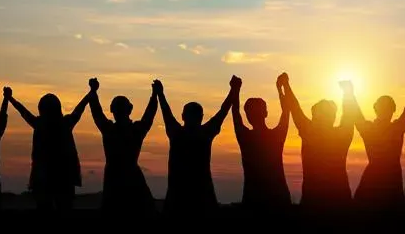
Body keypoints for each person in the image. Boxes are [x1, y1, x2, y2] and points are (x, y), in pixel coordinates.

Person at [157, 77, 238, 215]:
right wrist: (234, 90)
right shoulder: (205, 133)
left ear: (183, 116)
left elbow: (166, 110)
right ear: (201, 117)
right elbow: (223, 111)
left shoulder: (176, 132)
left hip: (177, 196)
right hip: (202, 195)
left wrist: (160, 93)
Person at [8, 88, 89, 212]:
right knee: (64, 208)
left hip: (43, 178)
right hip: (64, 178)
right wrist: (91, 93)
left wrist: (10, 98)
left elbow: (22, 111)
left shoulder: (39, 124)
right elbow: (80, 109)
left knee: (45, 209)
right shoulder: (65, 123)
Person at [87, 77, 158, 215]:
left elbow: (96, 111)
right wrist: (155, 95)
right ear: (130, 110)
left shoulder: (109, 129)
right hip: (131, 177)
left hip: (114, 178)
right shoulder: (136, 130)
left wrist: (93, 91)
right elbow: (149, 115)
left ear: (112, 110)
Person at [346, 77, 405, 209]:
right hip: (387, 179)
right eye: (385, 108)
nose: (385, 112)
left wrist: (349, 94)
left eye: (387, 109)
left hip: (382, 179)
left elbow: (356, 114)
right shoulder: (395, 128)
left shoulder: (372, 128)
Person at [285, 75, 356, 209]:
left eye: (315, 116)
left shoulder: (309, 132)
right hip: (339, 200)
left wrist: (286, 86)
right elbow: (349, 115)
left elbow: (295, 108)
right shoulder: (342, 134)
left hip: (315, 201)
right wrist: (348, 93)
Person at [231, 72, 291, 207]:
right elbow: (286, 111)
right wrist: (281, 88)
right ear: (266, 113)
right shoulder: (277, 135)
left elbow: (235, 111)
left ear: (247, 116)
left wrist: (235, 90)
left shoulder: (244, 137)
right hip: (278, 198)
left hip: (253, 199)